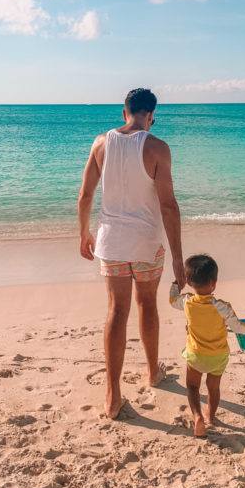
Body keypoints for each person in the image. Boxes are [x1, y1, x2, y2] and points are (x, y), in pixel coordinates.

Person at [78, 88, 186, 419]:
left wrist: (83, 233)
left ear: (123, 112)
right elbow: (168, 205)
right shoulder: (157, 147)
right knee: (146, 304)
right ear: (150, 116)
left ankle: (112, 397)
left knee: (117, 311)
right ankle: (153, 372)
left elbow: (85, 195)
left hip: (111, 243)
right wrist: (179, 260)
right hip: (146, 242)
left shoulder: (100, 143)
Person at [169, 253, 245, 438]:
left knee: (192, 387)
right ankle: (211, 417)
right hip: (218, 356)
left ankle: (198, 416)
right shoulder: (222, 306)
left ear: (189, 281)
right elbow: (238, 327)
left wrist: (176, 284)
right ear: (214, 282)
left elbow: (172, 300)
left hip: (195, 354)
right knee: (213, 388)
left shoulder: (186, 302)